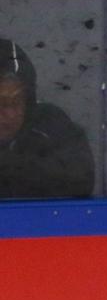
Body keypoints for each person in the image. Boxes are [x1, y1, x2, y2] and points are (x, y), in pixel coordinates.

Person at [0, 39, 94, 198]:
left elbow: (79, 181)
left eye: (17, 101)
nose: (9, 113)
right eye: (0, 103)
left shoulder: (51, 126)